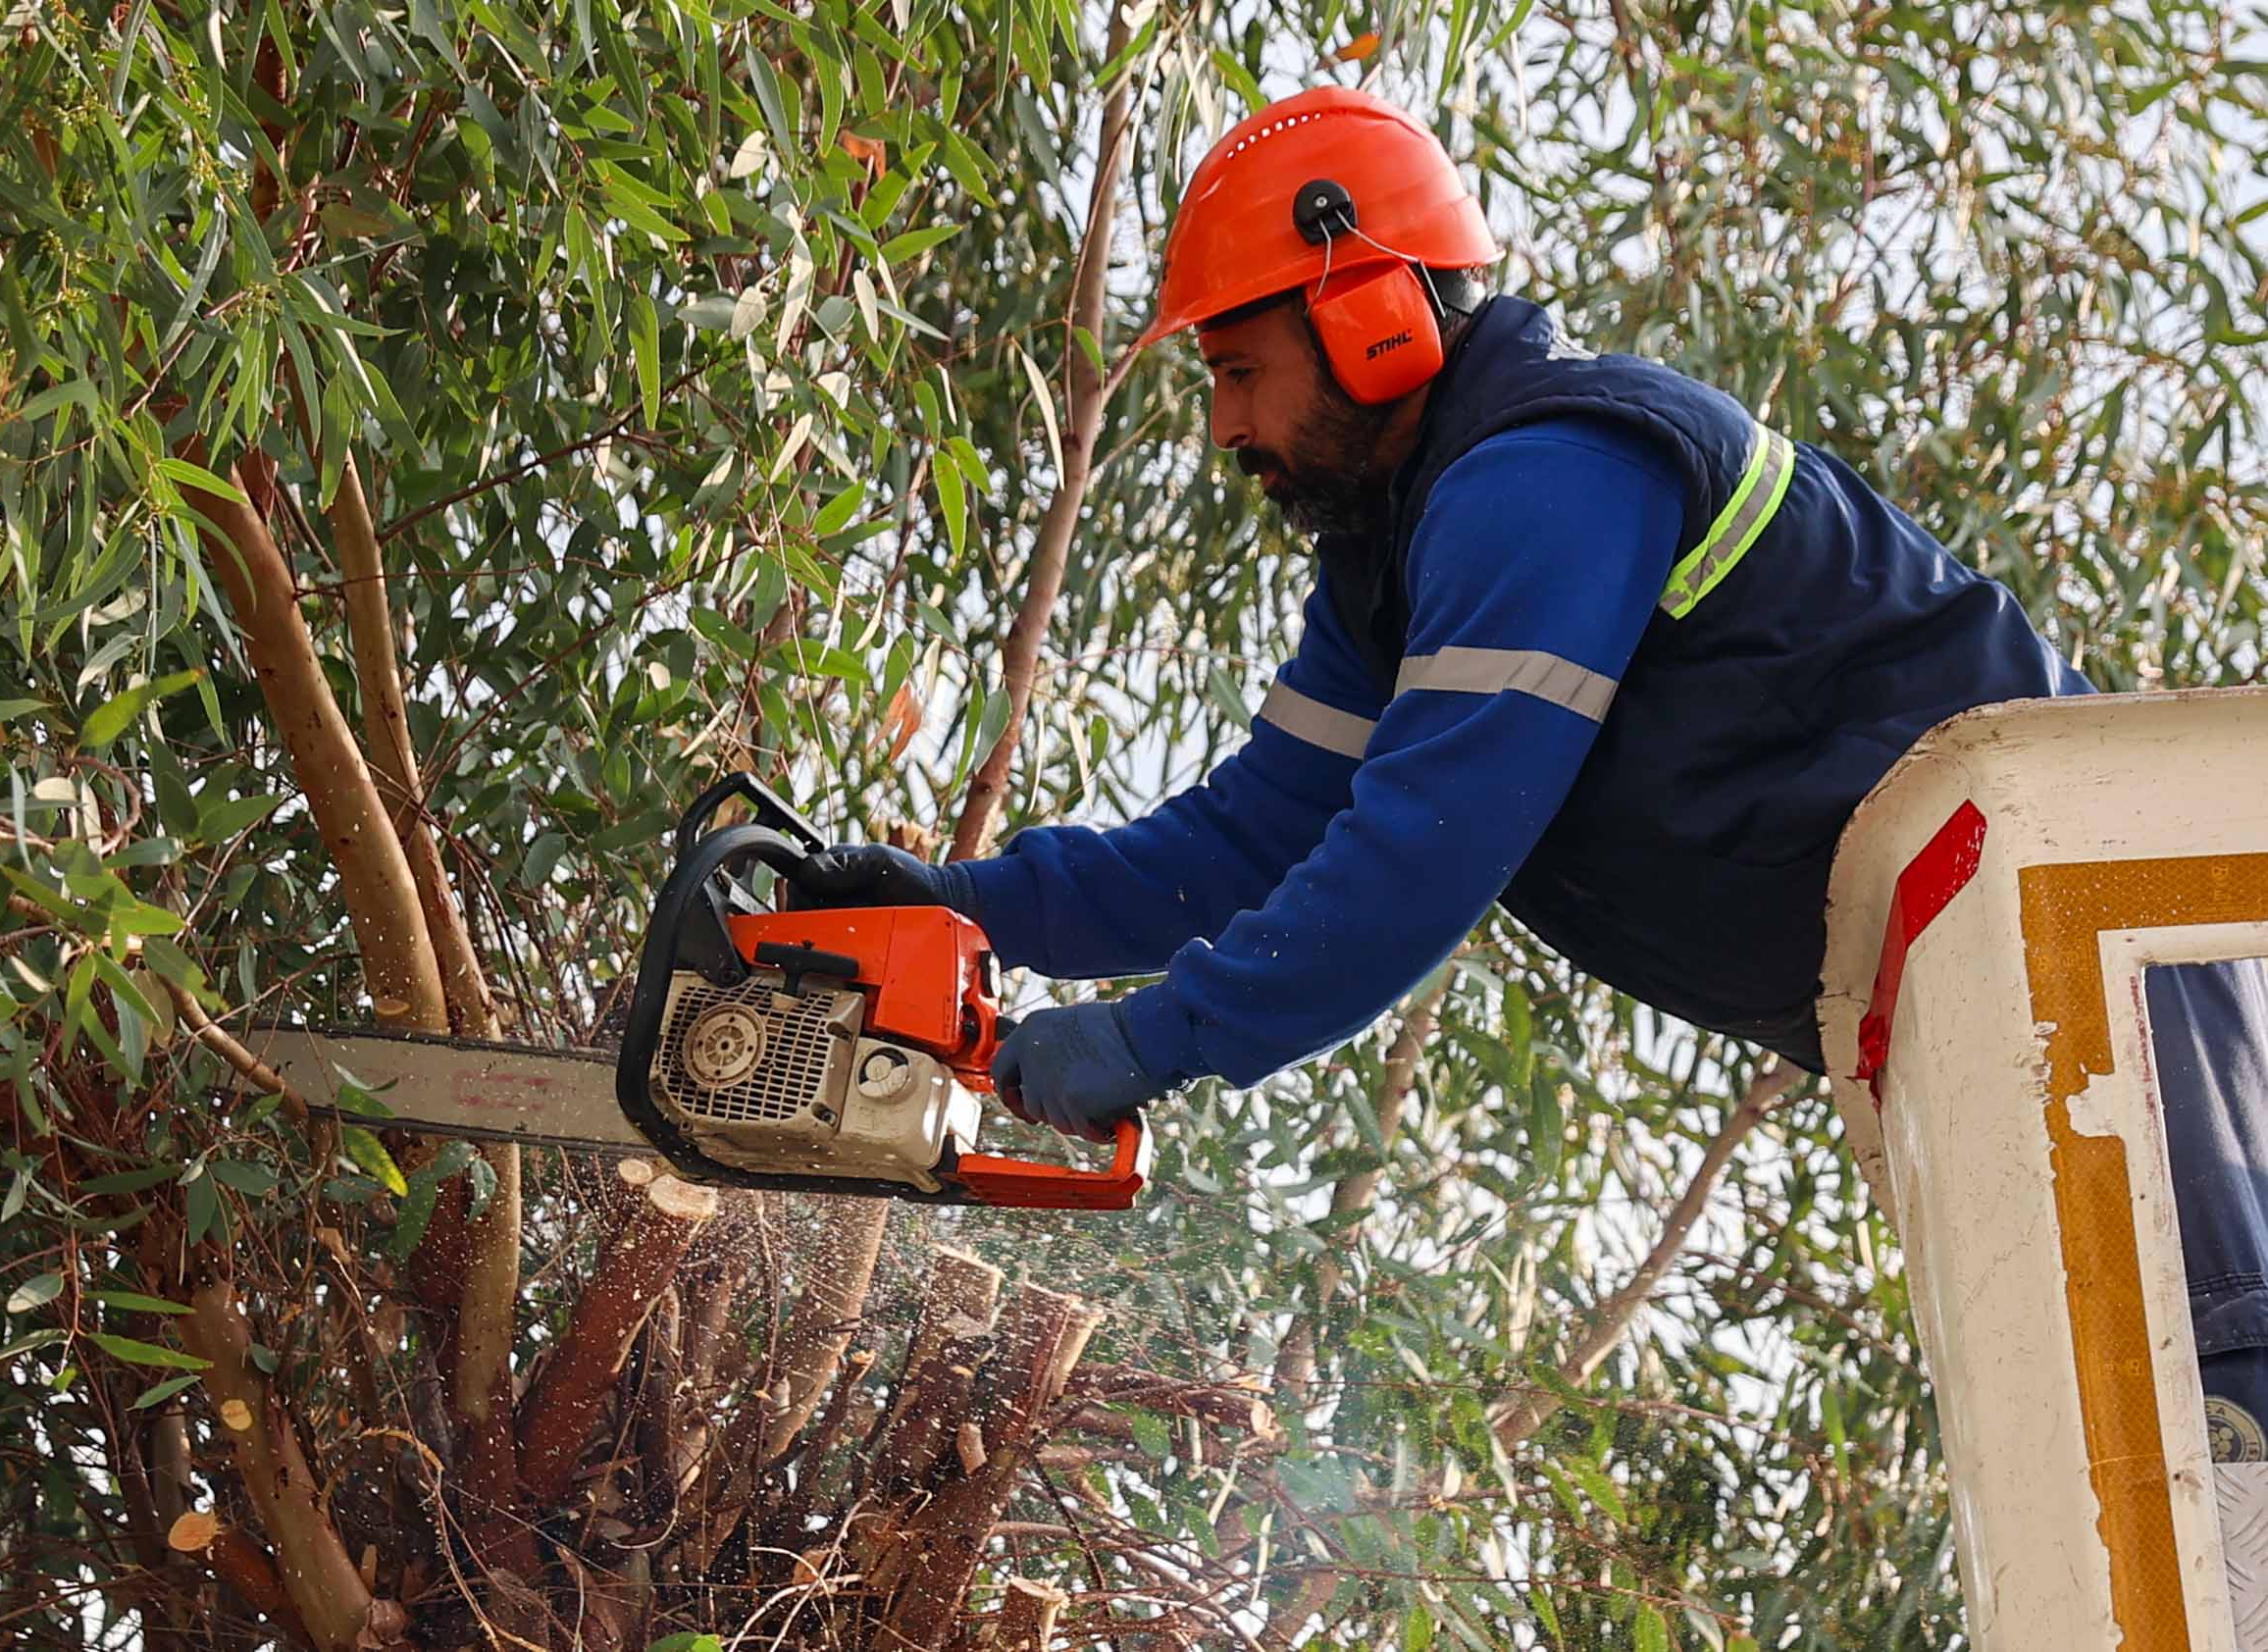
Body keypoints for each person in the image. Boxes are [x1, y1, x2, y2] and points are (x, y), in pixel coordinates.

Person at [794, 85, 2268, 1453]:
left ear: (1368, 310)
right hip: (1961, 984)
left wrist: (1156, 1038)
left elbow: (1425, 844)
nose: (1225, 423)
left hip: (2077, 925)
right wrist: (958, 909)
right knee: (2108, 1441)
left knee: (2217, 1391)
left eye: (1239, 370)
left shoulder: (1548, 471)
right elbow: (1245, 840)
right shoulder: (1397, 559)